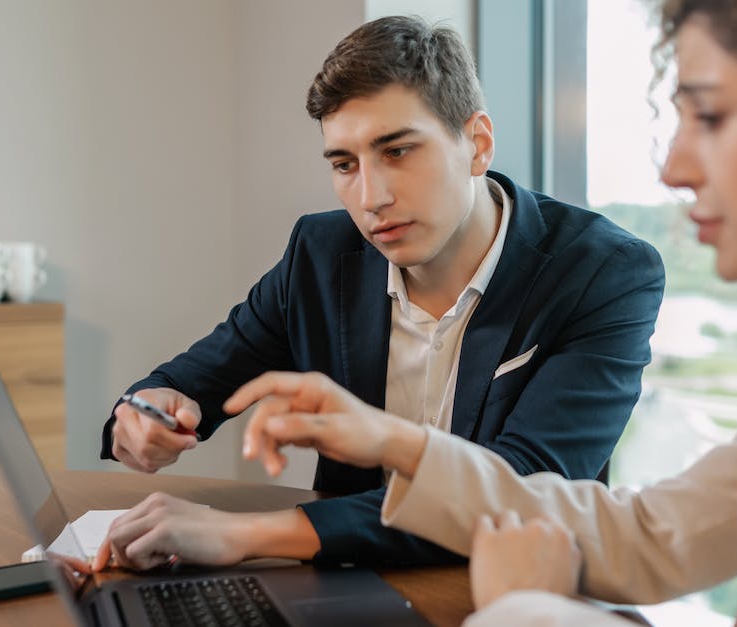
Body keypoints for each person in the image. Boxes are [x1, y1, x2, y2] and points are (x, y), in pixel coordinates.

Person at [216, 0, 737, 624]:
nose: (674, 167)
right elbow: (650, 533)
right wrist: (394, 440)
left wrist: (528, 609)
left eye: (710, 117)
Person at [96, 16, 665, 569]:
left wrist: (248, 533)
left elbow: (525, 488)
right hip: (349, 586)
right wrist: (147, 413)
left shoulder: (605, 274)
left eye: (397, 151)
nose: (371, 198)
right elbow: (189, 381)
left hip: (522, 593)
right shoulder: (320, 254)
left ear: (478, 144)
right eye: (345, 164)